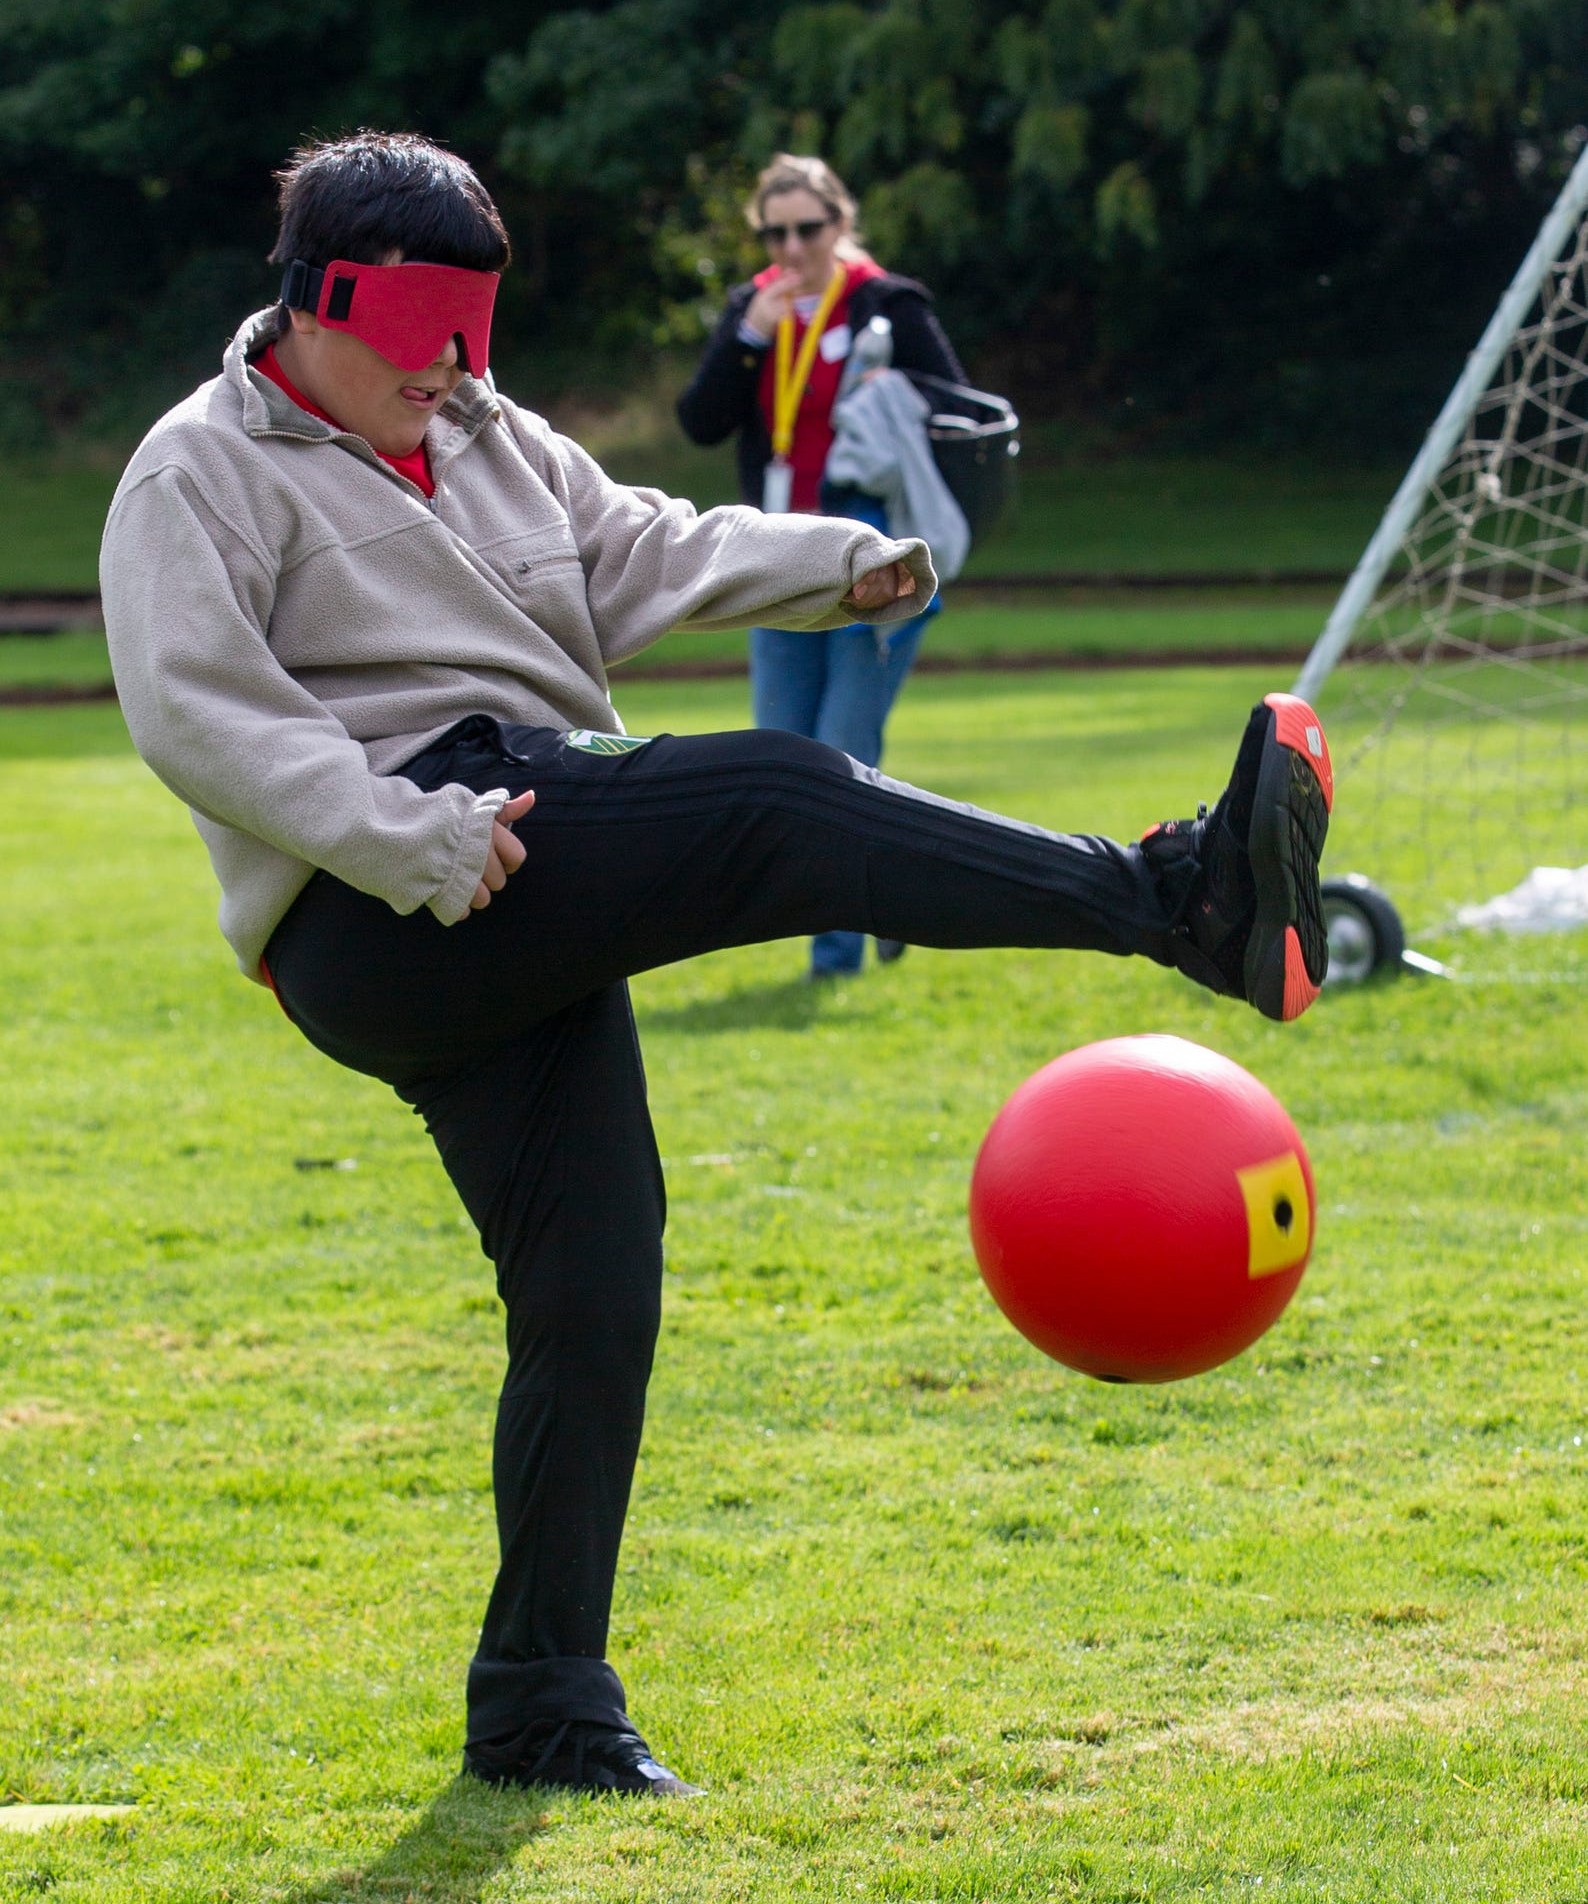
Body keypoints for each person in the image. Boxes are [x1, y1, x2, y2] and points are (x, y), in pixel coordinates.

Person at [100, 130, 1333, 1801]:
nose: (451, 366)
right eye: (419, 332)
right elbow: (201, 717)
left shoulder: (475, 428)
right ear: (318, 303)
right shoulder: (197, 474)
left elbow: (642, 552)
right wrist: (406, 837)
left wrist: (855, 559)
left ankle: (539, 1700)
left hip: (514, 873)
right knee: (769, 795)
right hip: (383, 892)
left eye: (474, 330)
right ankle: (1173, 898)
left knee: (594, 1293)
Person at [677, 154, 967, 978]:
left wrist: (892, 393)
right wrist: (748, 340)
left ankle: (834, 956)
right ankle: (890, 892)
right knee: (783, 754)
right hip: (777, 556)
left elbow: (959, 409)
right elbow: (700, 421)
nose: (793, 246)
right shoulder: (753, 309)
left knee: (842, 749)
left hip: (876, 556)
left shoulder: (886, 304)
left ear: (841, 224)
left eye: (809, 227)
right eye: (775, 232)